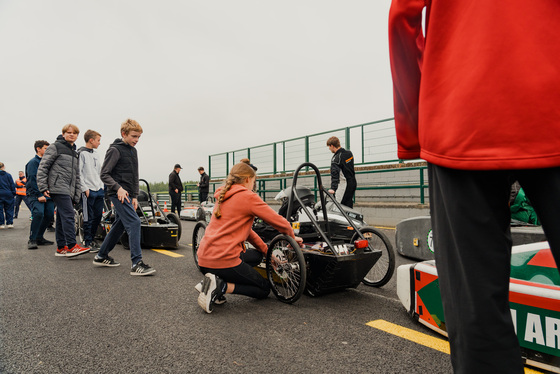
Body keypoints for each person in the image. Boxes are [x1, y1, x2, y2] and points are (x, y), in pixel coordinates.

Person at [388, 1, 560, 373]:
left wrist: (416, 130)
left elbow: (402, 16)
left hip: (461, 115)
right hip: (551, 90)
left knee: (474, 308)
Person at [195, 162, 302, 313]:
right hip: (223, 259)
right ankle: (221, 286)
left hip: (204, 260)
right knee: (264, 289)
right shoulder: (248, 197)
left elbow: (249, 233)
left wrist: (268, 254)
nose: (254, 185)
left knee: (257, 256)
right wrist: (292, 238)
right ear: (247, 180)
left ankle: (213, 280)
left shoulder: (222, 195)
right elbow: (279, 221)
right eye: (254, 181)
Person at [93, 119, 155, 276]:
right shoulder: (115, 150)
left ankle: (101, 256)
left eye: (139, 137)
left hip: (128, 194)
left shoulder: (134, 151)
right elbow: (104, 174)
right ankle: (136, 263)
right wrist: (118, 188)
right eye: (134, 136)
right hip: (117, 193)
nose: (136, 140)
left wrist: (134, 195)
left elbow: (135, 176)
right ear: (123, 134)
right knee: (134, 222)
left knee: (119, 225)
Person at [37, 124, 90, 257]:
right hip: (58, 187)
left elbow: (77, 175)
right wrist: (43, 187)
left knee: (61, 217)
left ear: (77, 135)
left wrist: (76, 193)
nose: (71, 134)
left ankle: (61, 247)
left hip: (69, 189)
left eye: (74, 133)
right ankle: (72, 246)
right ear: (63, 133)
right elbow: (43, 167)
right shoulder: (54, 147)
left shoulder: (74, 152)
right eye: (68, 132)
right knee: (68, 215)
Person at [78, 130, 105, 252]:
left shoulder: (96, 154)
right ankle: (87, 241)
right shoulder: (81, 153)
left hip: (98, 189)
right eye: (98, 140)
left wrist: (102, 186)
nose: (99, 143)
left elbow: (99, 171)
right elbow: (79, 173)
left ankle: (92, 238)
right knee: (89, 217)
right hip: (88, 190)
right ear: (91, 140)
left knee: (98, 216)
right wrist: (84, 188)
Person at [25, 140, 55, 249]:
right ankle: (32, 239)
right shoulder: (33, 162)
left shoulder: (48, 162)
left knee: (49, 214)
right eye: (46, 149)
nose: (48, 151)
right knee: (38, 214)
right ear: (38, 149)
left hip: (48, 194)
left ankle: (39, 237)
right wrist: (38, 194)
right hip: (35, 194)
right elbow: (32, 179)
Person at [326, 136, 356, 208]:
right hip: (352, 183)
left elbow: (335, 174)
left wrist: (333, 188)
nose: (329, 149)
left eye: (329, 147)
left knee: (339, 207)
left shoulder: (336, 159)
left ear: (332, 146)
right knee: (349, 206)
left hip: (343, 186)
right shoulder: (349, 153)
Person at [0, 162, 16, 229]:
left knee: (0, 210)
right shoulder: (8, 175)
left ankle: (1, 224)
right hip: (8, 193)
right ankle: (9, 223)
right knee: (9, 208)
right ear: (3, 167)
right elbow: (12, 185)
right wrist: (13, 193)